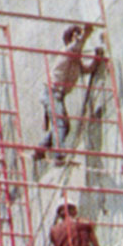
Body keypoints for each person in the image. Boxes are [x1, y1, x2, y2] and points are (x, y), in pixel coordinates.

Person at [34, 23, 100, 165]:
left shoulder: (75, 61)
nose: (78, 39)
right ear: (71, 39)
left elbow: (87, 69)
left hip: (58, 96)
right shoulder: (66, 52)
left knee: (65, 126)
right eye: (75, 36)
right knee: (60, 124)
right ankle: (58, 155)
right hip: (51, 93)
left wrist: (97, 58)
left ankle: (40, 149)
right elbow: (76, 46)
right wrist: (86, 33)